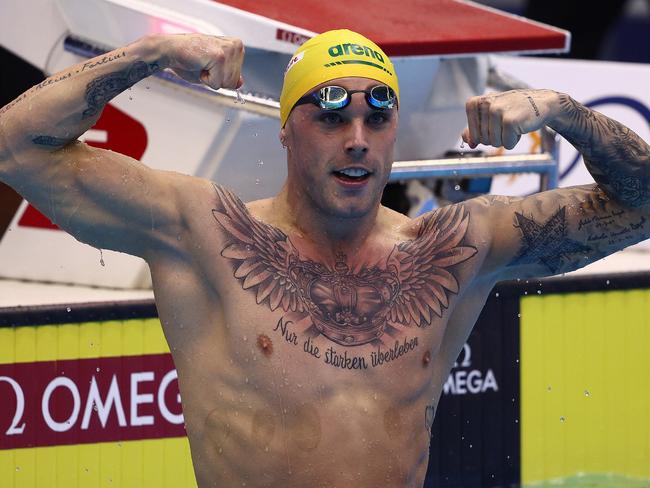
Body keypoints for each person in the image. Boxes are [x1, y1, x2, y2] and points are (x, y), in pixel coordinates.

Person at [0, 28, 648, 487]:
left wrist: (564, 113)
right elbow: (14, 148)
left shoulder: (453, 251)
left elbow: (640, 204)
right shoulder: (205, 233)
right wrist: (148, 53)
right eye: (331, 118)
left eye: (377, 117)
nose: (358, 141)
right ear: (285, 128)